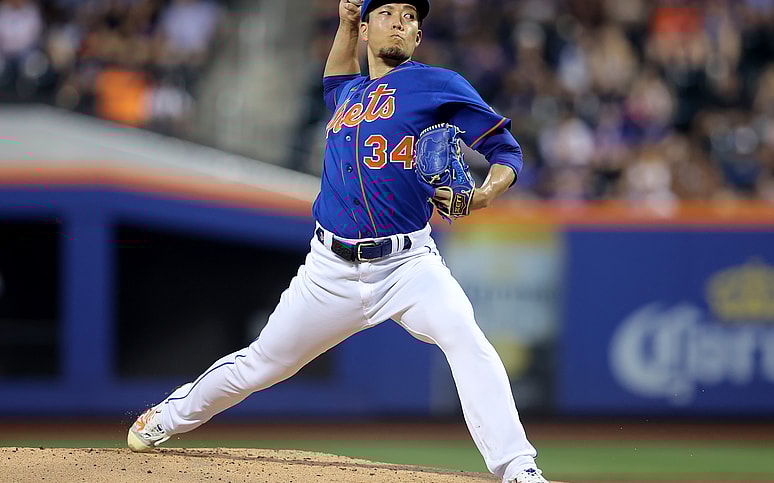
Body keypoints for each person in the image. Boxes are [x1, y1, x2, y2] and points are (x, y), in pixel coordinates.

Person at [127, 1, 548, 482]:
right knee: (261, 364)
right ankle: (167, 418)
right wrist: (347, 24)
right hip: (328, 271)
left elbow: (505, 149)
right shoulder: (346, 94)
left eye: (411, 16)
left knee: (466, 339)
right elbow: (334, 75)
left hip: (408, 265)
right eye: (387, 12)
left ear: (417, 36)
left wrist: (485, 192)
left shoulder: (438, 84)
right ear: (367, 28)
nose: (400, 21)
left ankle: (518, 468)